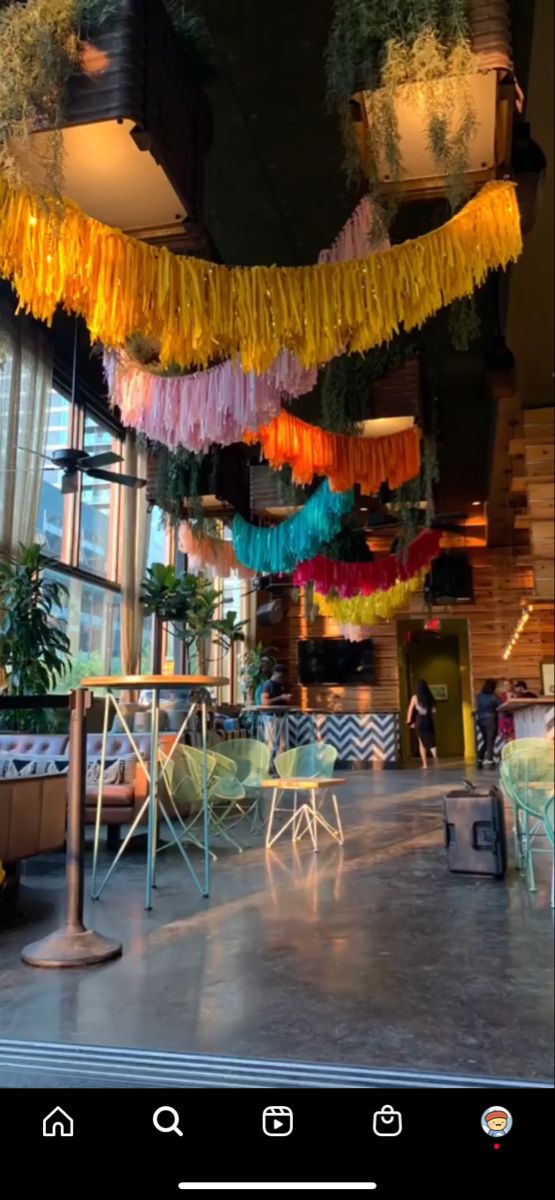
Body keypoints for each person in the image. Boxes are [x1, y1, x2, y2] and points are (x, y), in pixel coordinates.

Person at [407, 679, 438, 769]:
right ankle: (436, 760)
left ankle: (425, 764)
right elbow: (434, 711)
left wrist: (409, 722)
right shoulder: (430, 697)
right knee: (432, 741)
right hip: (429, 721)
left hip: (419, 722)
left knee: (421, 743)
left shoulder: (415, 697)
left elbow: (410, 710)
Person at [476, 678, 501, 768]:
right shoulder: (493, 697)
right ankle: (489, 760)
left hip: (480, 720)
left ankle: (479, 759)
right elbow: (501, 705)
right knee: (490, 740)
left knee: (486, 740)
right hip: (490, 719)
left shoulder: (479, 696)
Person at [498, 677, 516, 743]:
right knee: (505, 737)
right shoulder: (501, 695)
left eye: (507, 684)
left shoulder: (515, 694)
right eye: (504, 685)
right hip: (504, 717)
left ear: (511, 685)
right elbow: (499, 706)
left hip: (513, 717)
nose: (506, 686)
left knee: (513, 736)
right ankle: (507, 751)